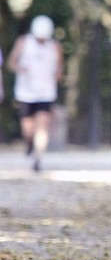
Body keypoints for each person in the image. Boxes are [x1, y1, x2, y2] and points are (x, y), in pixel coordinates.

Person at [8, 15, 64, 172]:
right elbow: (11, 63)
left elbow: (60, 68)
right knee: (28, 128)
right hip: (26, 92)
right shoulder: (23, 42)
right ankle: (29, 143)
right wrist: (21, 69)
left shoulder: (54, 46)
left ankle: (38, 157)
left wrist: (58, 75)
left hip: (46, 93)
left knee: (43, 126)